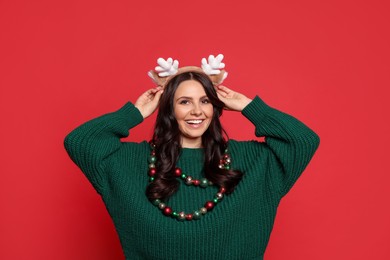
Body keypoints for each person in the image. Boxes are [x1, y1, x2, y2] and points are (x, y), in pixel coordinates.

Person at [64, 55, 320, 259]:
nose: (197, 111)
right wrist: (136, 113)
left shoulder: (252, 160)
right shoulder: (132, 161)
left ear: (216, 106)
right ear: (168, 108)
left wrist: (246, 104)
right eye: (184, 102)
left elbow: (302, 141)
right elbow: (80, 142)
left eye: (206, 101)